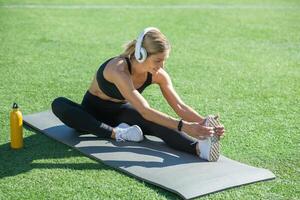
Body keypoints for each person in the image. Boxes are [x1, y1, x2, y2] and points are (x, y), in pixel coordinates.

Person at [51, 27, 225, 162]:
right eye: (158, 60)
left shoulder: (158, 75)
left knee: (158, 121)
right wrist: (185, 126)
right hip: (91, 115)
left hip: (121, 112)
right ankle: (117, 133)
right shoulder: (118, 68)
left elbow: (179, 106)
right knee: (59, 104)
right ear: (141, 54)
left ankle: (197, 149)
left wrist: (204, 124)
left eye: (164, 60)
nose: (162, 66)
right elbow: (144, 109)